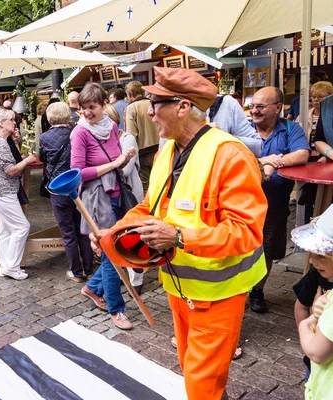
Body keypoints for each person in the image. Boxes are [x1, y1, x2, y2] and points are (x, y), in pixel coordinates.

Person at [93, 67, 268, 399]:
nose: (148, 111)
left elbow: (246, 232)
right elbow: (150, 206)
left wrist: (178, 238)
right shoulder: (166, 151)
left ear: (183, 106)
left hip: (218, 294)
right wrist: (113, 232)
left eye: (156, 102)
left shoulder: (230, 154)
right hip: (179, 287)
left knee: (201, 383)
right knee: (195, 370)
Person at [72, 83, 136, 330]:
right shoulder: (80, 133)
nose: (87, 113)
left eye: (91, 107)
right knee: (111, 252)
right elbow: (77, 173)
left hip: (117, 193)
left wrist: (125, 159)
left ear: (103, 106)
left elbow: (116, 159)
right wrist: (114, 164)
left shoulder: (111, 127)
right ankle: (116, 309)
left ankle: (92, 288)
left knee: (116, 248)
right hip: (97, 199)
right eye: (82, 108)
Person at [248, 87, 310, 313]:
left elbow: (302, 154)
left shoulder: (291, 129)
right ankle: (235, 290)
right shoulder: (244, 129)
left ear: (277, 107)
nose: (254, 110)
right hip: (242, 204)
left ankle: (257, 290)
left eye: (260, 106)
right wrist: (264, 160)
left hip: (274, 205)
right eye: (252, 105)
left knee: (266, 250)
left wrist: (274, 162)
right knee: (238, 249)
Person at [39, 102, 93, 283]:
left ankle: (76, 272)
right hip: (78, 185)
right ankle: (89, 267)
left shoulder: (45, 137)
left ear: (49, 117)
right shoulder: (78, 132)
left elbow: (42, 158)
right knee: (83, 230)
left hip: (59, 188)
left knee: (68, 232)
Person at [0, 108, 36, 280]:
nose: (14, 123)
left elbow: (12, 161)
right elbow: (11, 170)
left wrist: (15, 141)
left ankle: (6, 265)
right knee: (22, 227)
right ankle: (11, 266)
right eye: (12, 120)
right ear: (1, 123)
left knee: (5, 229)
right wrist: (28, 160)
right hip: (3, 191)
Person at [294, 204, 333, 400]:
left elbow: (318, 353)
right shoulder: (318, 274)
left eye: (321, 255)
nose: (312, 261)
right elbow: (301, 305)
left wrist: (306, 325)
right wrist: (308, 342)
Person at [105, 103, 145, 293]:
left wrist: (104, 165)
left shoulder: (127, 139)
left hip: (128, 193)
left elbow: (126, 169)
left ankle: (137, 279)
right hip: (112, 194)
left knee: (132, 235)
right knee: (118, 236)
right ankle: (125, 272)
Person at [124, 81, 160, 193]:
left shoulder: (131, 108)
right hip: (160, 149)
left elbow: (131, 134)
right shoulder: (153, 103)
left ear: (130, 94)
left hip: (143, 153)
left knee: (146, 189)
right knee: (159, 184)